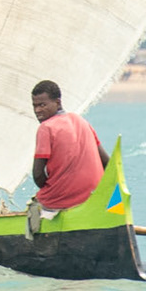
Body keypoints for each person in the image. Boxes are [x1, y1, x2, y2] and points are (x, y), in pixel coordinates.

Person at [30, 79, 109, 212]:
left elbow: (38, 175)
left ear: (58, 102)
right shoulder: (81, 120)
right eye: (35, 106)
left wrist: (54, 190)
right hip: (94, 196)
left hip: (62, 200)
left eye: (42, 105)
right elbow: (107, 162)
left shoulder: (46, 127)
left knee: (33, 209)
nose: (37, 110)